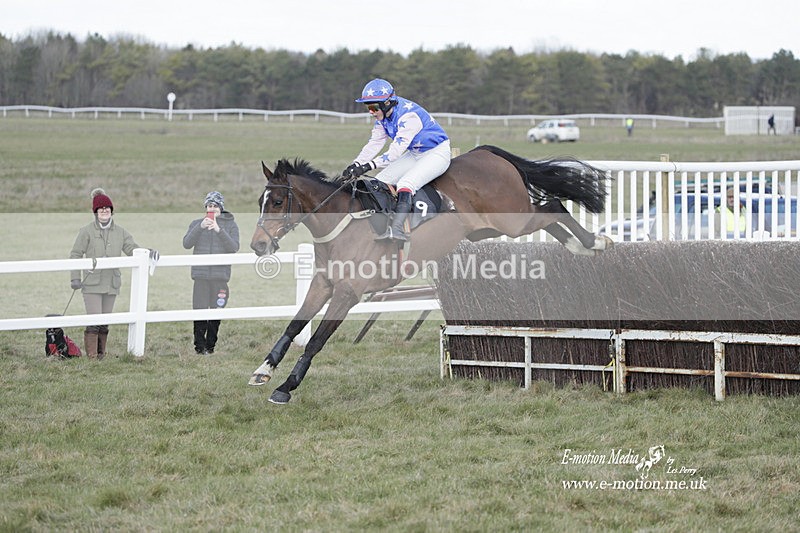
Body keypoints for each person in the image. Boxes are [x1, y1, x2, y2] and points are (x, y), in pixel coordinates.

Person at [342, 78, 451, 241]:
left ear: (386, 103)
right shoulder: (382, 118)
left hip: (436, 153)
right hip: (415, 153)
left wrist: (367, 166)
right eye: (368, 107)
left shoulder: (409, 117)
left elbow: (394, 153)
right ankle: (383, 224)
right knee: (379, 182)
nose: (371, 112)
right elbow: (374, 143)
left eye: (373, 107)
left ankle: (398, 229)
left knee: (405, 184)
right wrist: (356, 164)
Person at [69, 188, 144, 359]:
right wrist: (75, 278)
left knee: (105, 323)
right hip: (92, 284)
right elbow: (75, 254)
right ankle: (92, 357)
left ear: (111, 211)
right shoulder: (86, 231)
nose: (104, 211)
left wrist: (146, 252)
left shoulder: (121, 232)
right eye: (101, 209)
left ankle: (101, 355)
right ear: (95, 212)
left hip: (111, 283)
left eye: (107, 208)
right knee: (94, 321)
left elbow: (132, 249)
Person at [182, 191, 240, 355]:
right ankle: (199, 348)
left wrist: (219, 230)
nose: (212, 209)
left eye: (215, 206)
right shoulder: (196, 224)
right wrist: (199, 228)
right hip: (200, 277)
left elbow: (234, 247)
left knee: (216, 311)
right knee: (199, 311)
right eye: (209, 205)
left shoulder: (231, 225)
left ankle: (210, 346)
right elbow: (186, 243)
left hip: (220, 277)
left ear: (221, 208)